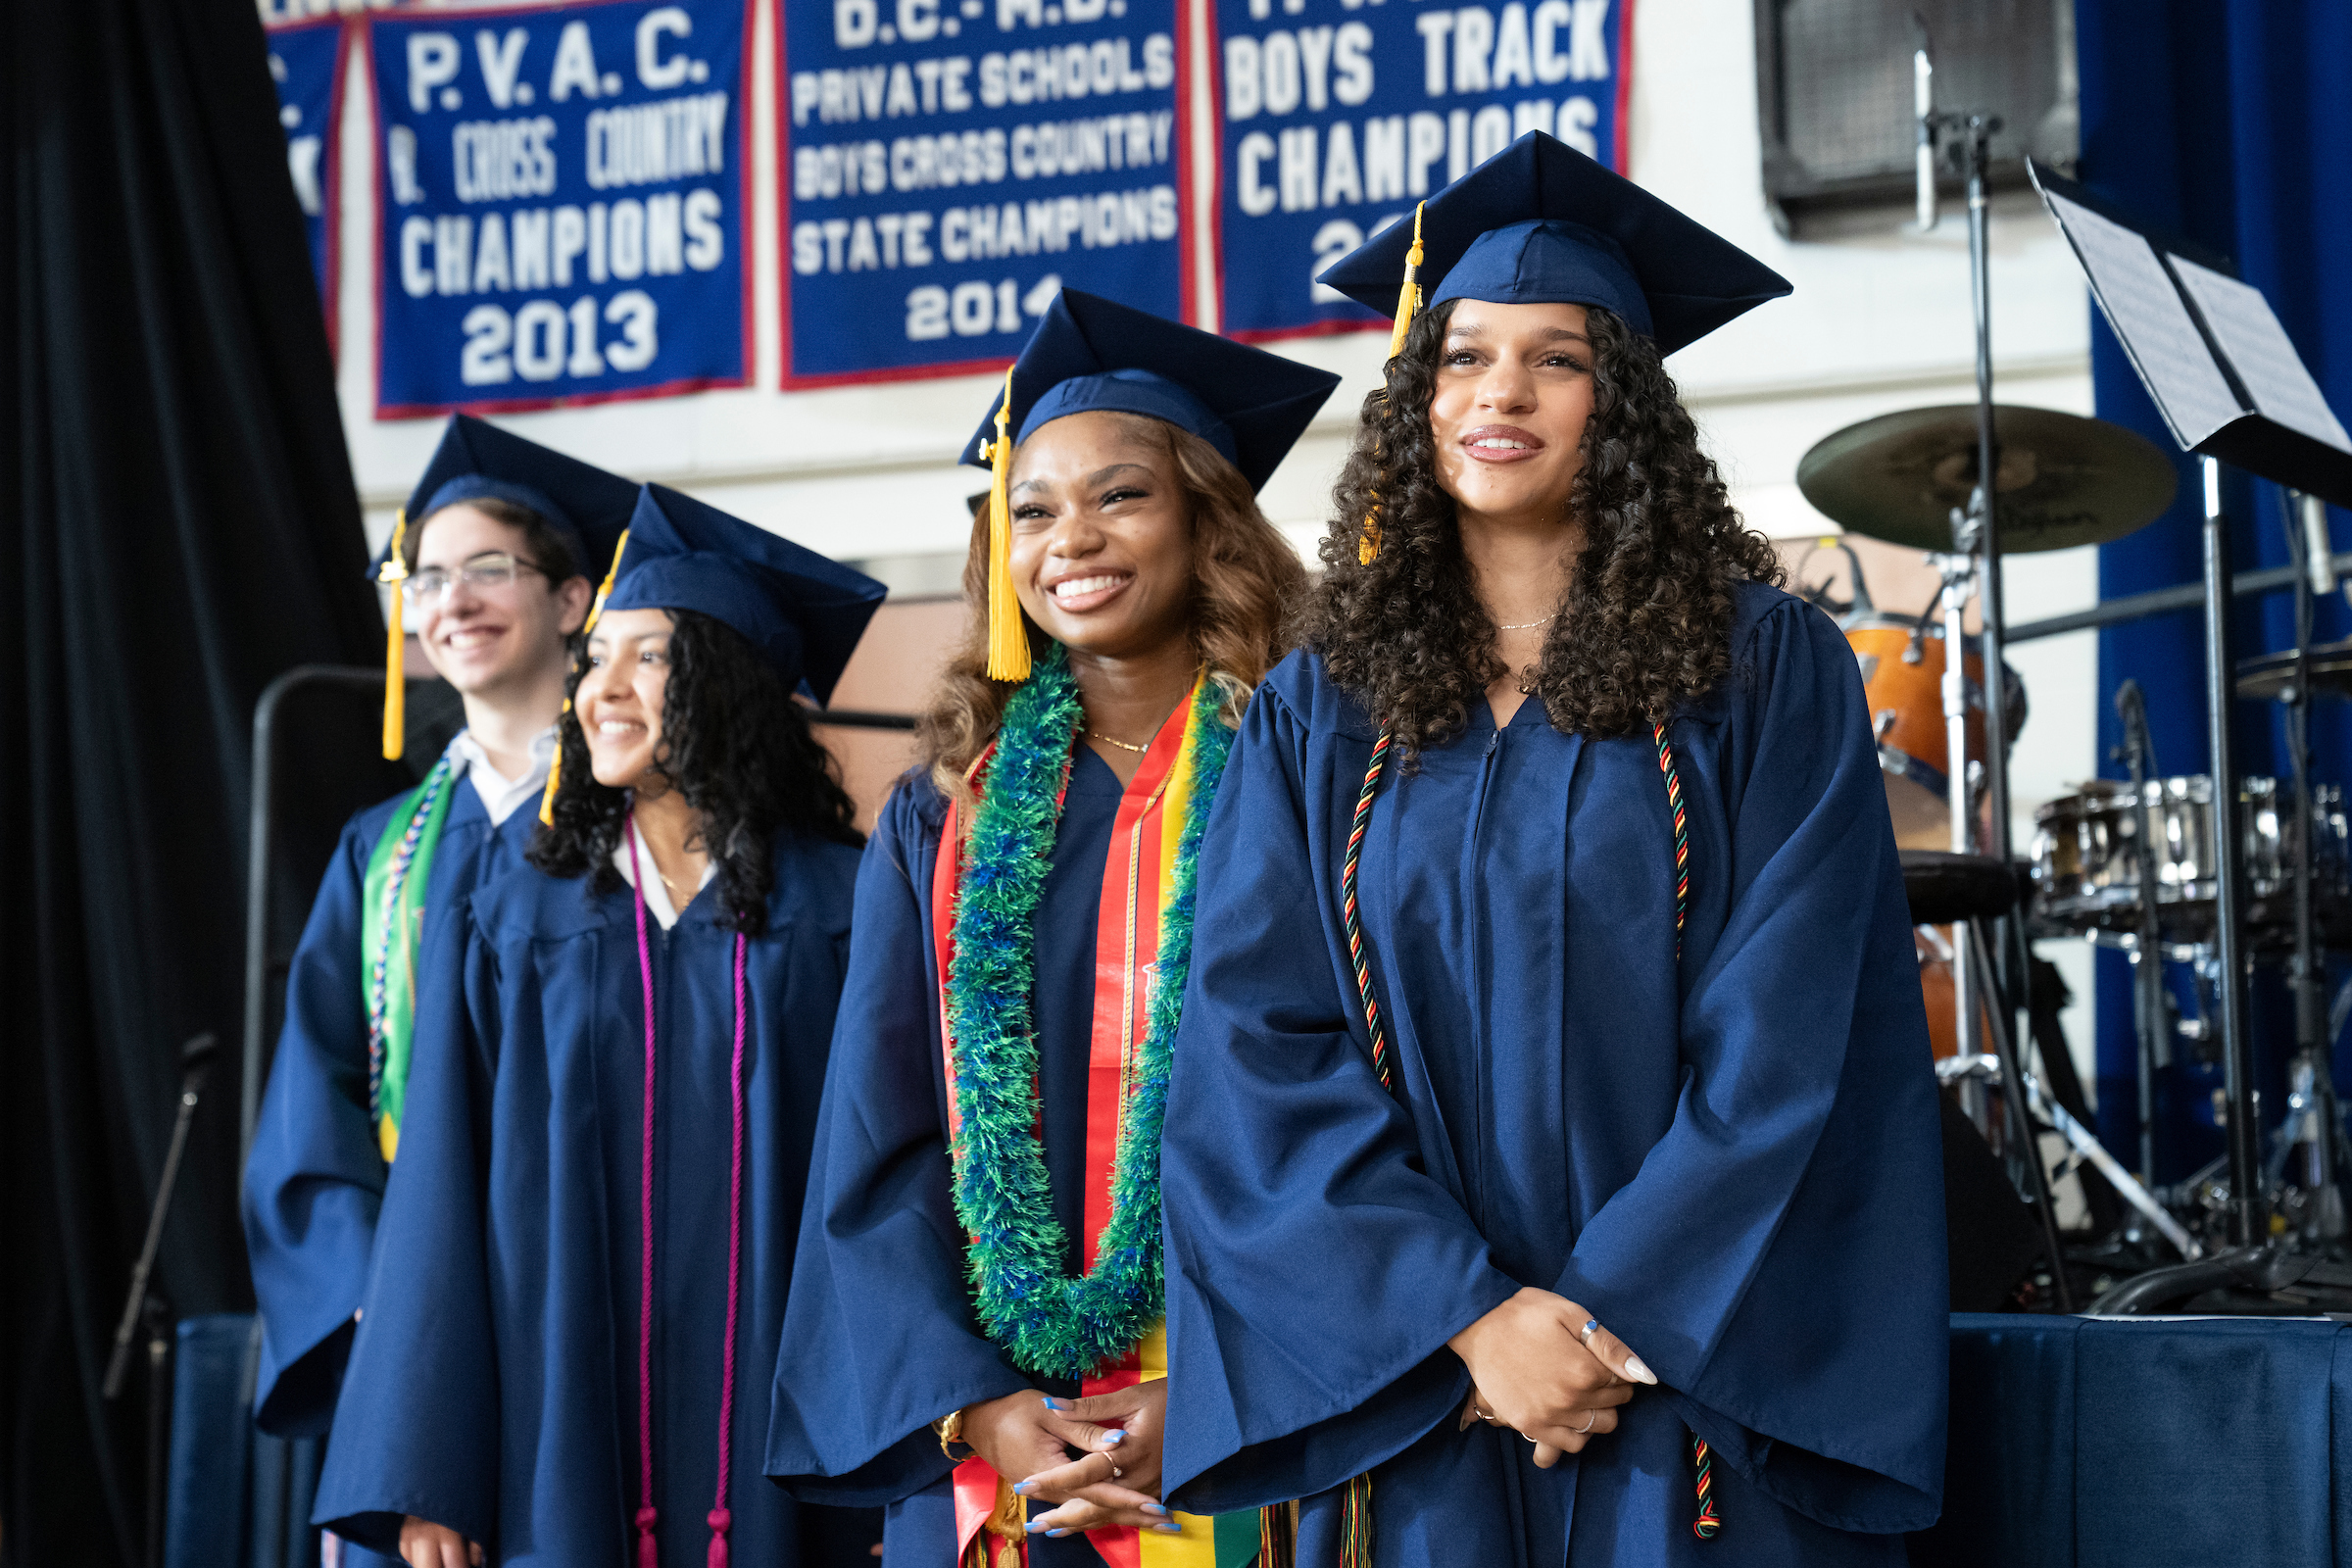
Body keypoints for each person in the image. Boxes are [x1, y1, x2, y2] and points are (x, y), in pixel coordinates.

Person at [1155, 132, 1949, 1567]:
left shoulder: (1763, 670)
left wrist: (1603, 1320)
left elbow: (1792, 1036)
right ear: (1417, 396)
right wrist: (1466, 1322)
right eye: (1461, 358)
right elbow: (1257, 1043)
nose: (1500, 394)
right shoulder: (1324, 703)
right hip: (1438, 1400)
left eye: (1558, 359)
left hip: (1687, 1373)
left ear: (1627, 403)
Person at [763, 289, 1339, 1566]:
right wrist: (983, 1405)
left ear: (1209, 524)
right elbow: (882, 1131)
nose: (1070, 537)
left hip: (1265, 1413)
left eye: (1120, 495)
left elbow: (1364, 1104)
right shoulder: (945, 819)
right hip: (1002, 1449)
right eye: (1033, 508)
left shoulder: (1312, 781)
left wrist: (1229, 1385)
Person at [311, 484, 887, 1568]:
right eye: (596, 659)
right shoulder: (507, 914)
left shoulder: (844, 911)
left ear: (727, 683)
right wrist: (431, 1470)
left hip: (787, 1422)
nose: (601, 689)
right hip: (549, 1427)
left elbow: (887, 1187)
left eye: (649, 658)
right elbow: (440, 1192)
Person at [242, 416, 636, 1565]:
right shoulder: (386, 849)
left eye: (489, 568)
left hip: (602, 1295)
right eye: (425, 575)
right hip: (415, 1318)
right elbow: (312, 1101)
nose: (449, 598)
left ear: (572, 601)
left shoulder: (648, 829)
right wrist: (388, 1311)